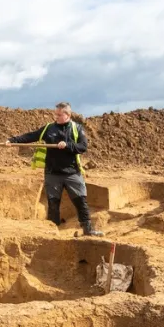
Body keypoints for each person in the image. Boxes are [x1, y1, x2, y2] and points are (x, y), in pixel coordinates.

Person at [6, 101, 103, 236]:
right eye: (55, 114)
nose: (55, 116)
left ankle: (88, 230)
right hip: (53, 174)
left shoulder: (77, 128)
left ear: (67, 115)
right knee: (53, 205)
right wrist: (13, 140)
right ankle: (53, 233)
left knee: (81, 201)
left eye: (59, 114)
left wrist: (68, 145)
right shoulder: (49, 128)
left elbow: (82, 147)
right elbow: (31, 136)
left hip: (72, 173)